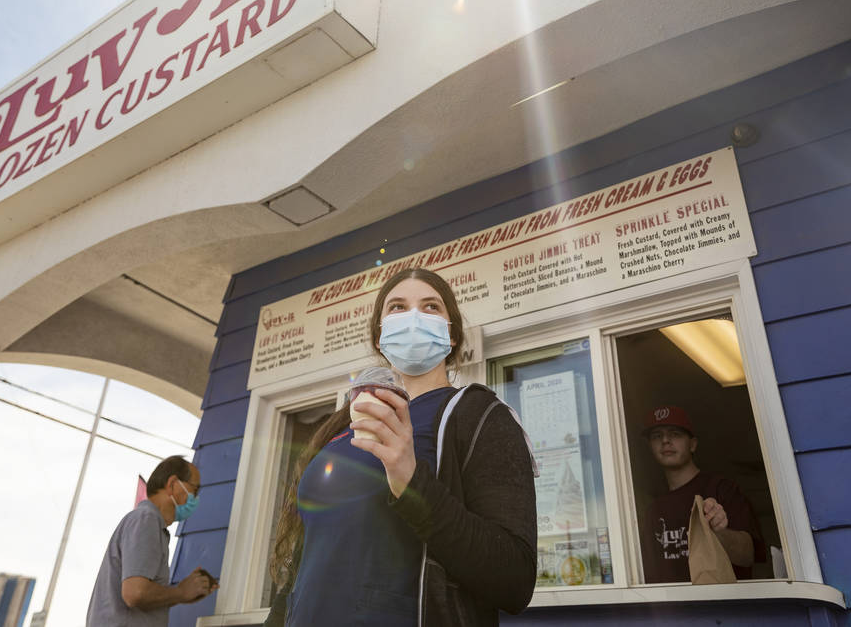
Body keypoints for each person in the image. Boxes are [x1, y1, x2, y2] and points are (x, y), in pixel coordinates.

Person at [266, 267, 537, 626]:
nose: (413, 317)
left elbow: (513, 580)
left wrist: (411, 483)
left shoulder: (479, 416)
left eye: (430, 307)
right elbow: (306, 563)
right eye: (396, 307)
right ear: (379, 337)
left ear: (451, 335)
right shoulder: (343, 426)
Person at [86, 455, 219, 626]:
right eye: (195, 489)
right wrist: (180, 592)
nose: (196, 497)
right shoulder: (147, 520)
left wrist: (184, 593)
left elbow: (139, 594)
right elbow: (135, 593)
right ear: (172, 484)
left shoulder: (149, 524)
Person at [640, 406, 765, 583]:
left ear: (692, 444)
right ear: (650, 447)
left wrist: (717, 532)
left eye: (675, 433)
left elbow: (748, 555)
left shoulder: (721, 489)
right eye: (657, 436)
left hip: (723, 606)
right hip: (673, 607)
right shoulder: (653, 509)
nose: (665, 440)